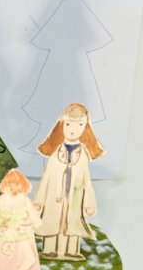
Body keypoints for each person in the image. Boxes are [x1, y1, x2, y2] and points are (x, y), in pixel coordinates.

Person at [33, 103, 105, 261]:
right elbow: (46, 177)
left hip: (74, 196)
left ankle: (71, 251)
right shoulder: (55, 153)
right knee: (52, 220)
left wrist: (89, 203)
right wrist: (39, 201)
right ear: (61, 125)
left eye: (79, 125)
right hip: (54, 196)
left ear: (85, 128)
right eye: (68, 124)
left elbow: (86, 180)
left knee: (72, 222)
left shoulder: (83, 155)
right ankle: (49, 250)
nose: (73, 129)